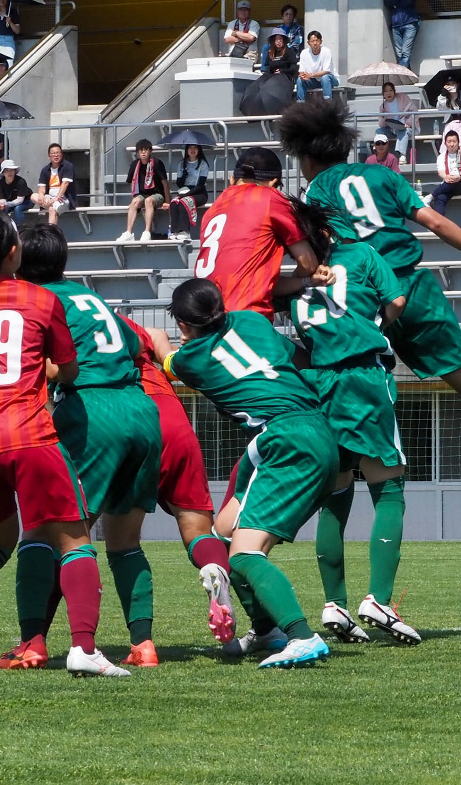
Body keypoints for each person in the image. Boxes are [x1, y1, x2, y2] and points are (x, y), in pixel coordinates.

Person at [278, 99, 461, 498]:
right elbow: (435, 221)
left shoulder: (315, 193)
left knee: (336, 385)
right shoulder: (381, 175)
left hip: (360, 300)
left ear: (307, 154)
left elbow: (314, 258)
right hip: (413, 290)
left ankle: (337, 480)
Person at [0, 210, 126, 678]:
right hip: (29, 434)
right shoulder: (39, 298)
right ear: (13, 250)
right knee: (74, 539)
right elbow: (68, 368)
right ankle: (84, 648)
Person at [162, 278, 339, 669]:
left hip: (285, 440)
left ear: (185, 325)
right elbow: (291, 357)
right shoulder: (252, 321)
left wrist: (155, 338)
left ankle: (301, 636)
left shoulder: (192, 359)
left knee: (244, 555)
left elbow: (167, 357)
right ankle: (265, 630)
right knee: (223, 538)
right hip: (308, 430)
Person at [16, 224, 164, 667]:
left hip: (92, 411)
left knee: (46, 531)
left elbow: (57, 367)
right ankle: (144, 644)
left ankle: (33, 643)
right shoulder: (90, 296)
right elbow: (140, 342)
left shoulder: (40, 302)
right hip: (140, 409)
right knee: (125, 541)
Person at [278, 205, 419, 645]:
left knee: (336, 492)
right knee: (389, 485)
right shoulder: (358, 255)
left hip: (319, 380)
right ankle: (377, 597)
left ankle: (334, 603)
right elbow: (396, 301)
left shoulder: (285, 281)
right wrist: (372, 322)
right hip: (361, 375)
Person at [121, 314, 236, 645]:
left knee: (112, 541)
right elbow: (173, 367)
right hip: (173, 420)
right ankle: (215, 569)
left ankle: (141, 643)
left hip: (127, 417)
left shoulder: (76, 332)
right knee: (198, 531)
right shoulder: (149, 331)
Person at [192, 147, 325, 317]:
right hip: (244, 318)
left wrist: (304, 282)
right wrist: (303, 277)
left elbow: (250, 277)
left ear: (232, 179)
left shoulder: (213, 210)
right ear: (273, 183)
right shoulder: (268, 196)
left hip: (204, 320)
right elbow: (308, 263)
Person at [118, 139, 167, 243]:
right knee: (134, 202)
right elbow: (131, 182)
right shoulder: (135, 165)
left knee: (148, 201)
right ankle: (128, 233)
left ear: (150, 151)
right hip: (142, 194)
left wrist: (167, 201)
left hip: (157, 194)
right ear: (137, 153)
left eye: (146, 150)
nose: (143, 152)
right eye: (141, 150)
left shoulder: (157, 163)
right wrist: (135, 198)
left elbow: (164, 183)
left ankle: (147, 232)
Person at [170, 142, 210, 241]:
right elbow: (179, 183)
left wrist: (187, 195)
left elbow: (201, 185)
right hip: (184, 191)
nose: (192, 150)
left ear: (198, 149)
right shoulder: (181, 164)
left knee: (185, 202)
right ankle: (174, 231)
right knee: (174, 202)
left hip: (199, 192)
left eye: (195, 147)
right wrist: (184, 175)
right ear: (186, 150)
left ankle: (185, 231)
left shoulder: (203, 164)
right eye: (190, 147)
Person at [429, 129, 461, 215]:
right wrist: (446, 177)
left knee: (452, 182)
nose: (452, 144)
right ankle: (439, 224)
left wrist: (459, 177)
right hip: (447, 184)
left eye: (454, 141)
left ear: (458, 142)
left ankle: (431, 196)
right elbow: (441, 172)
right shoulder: (441, 157)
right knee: (441, 198)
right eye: (449, 142)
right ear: (445, 143)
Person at [384, 0, 419, 68]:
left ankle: (402, 78)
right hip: (396, 25)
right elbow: (387, 2)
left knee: (405, 53)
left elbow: (408, 1)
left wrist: (395, 0)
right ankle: (408, 78)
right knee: (399, 55)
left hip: (410, 23)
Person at [34, 142, 76, 226]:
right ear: (49, 155)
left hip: (63, 198)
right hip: (50, 198)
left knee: (52, 209)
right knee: (33, 196)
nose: (56, 155)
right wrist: (41, 195)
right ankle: (50, 204)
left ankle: (51, 235)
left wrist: (56, 198)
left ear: (61, 154)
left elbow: (65, 184)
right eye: (53, 153)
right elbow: (42, 187)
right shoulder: (45, 170)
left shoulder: (68, 166)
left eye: (58, 152)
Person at [375, 81, 418, 163]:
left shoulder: (403, 98)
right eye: (386, 91)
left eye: (391, 90)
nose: (388, 93)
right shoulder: (383, 106)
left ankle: (402, 155)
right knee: (379, 131)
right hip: (392, 129)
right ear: (383, 94)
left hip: (407, 127)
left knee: (403, 131)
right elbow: (382, 125)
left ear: (394, 91)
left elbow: (415, 112)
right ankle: (379, 154)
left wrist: (408, 123)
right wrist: (383, 116)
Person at [296, 30, 336, 102]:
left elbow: (326, 71)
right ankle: (300, 104)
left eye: (317, 41)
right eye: (312, 41)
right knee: (299, 80)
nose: (315, 43)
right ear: (308, 43)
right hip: (313, 81)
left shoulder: (326, 51)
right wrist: (303, 76)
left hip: (330, 79)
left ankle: (328, 103)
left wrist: (310, 75)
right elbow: (301, 71)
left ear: (321, 41)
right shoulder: (304, 53)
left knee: (325, 78)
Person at [0, 160, 33, 226]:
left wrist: (7, 204)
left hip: (26, 201)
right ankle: (2, 228)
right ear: (3, 173)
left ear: (15, 171)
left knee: (17, 209)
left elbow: (20, 200)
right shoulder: (0, 183)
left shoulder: (21, 181)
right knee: (1, 211)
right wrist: (2, 204)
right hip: (10, 202)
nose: (9, 172)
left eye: (11, 170)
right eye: (6, 170)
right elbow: (2, 199)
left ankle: (20, 229)